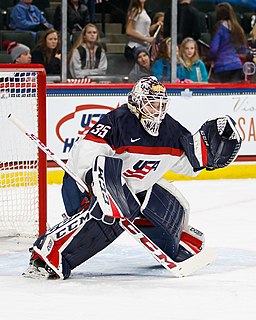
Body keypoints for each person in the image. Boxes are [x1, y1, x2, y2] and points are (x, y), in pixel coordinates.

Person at [23, 76, 242, 280]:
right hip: (82, 187)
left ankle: (176, 243)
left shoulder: (171, 130)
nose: (157, 110)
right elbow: (85, 154)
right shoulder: (117, 122)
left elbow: (185, 163)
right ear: (137, 103)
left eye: (161, 104)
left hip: (133, 191)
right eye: (151, 104)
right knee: (109, 212)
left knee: (169, 205)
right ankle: (48, 256)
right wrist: (96, 183)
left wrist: (208, 156)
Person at [208, 2, 247, 83]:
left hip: (222, 67)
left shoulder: (219, 28)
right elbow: (243, 50)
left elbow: (214, 50)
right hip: (237, 66)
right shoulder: (238, 29)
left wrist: (209, 58)